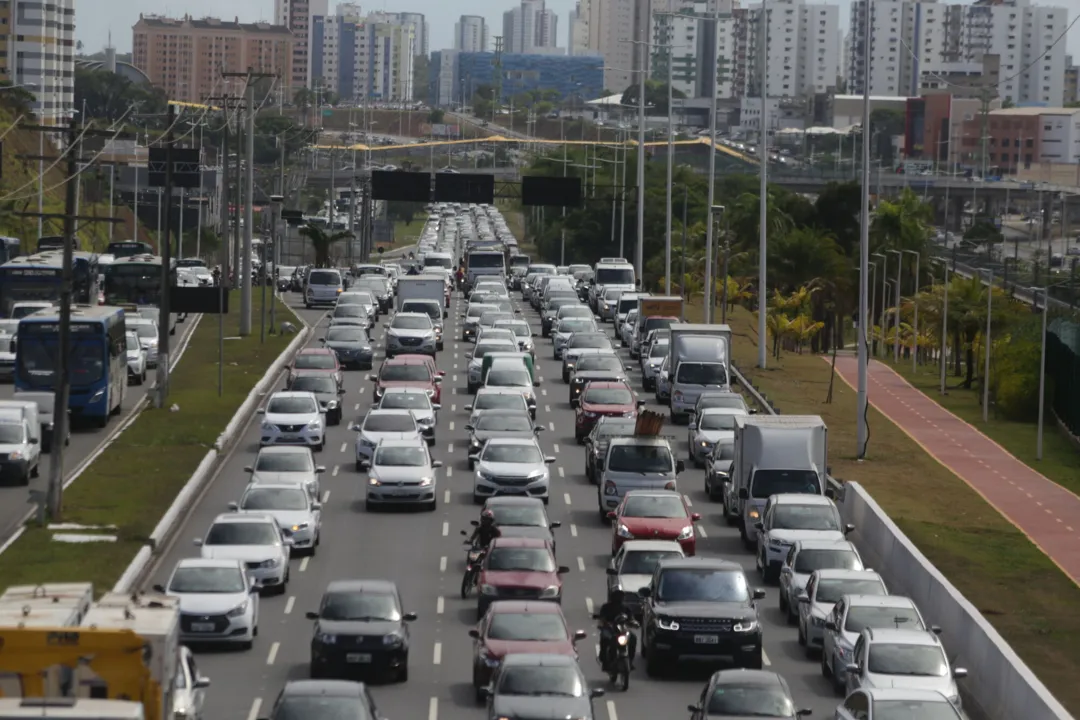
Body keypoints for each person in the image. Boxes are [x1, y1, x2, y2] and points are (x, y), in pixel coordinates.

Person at [596, 590, 636, 670]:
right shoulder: (606, 607)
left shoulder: (625, 608)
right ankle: (604, 660)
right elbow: (602, 619)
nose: (620, 599)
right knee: (605, 638)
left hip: (622, 630)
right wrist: (603, 624)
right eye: (618, 597)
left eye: (621, 597)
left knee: (633, 638)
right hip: (609, 629)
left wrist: (634, 623)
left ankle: (630, 661)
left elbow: (631, 618)